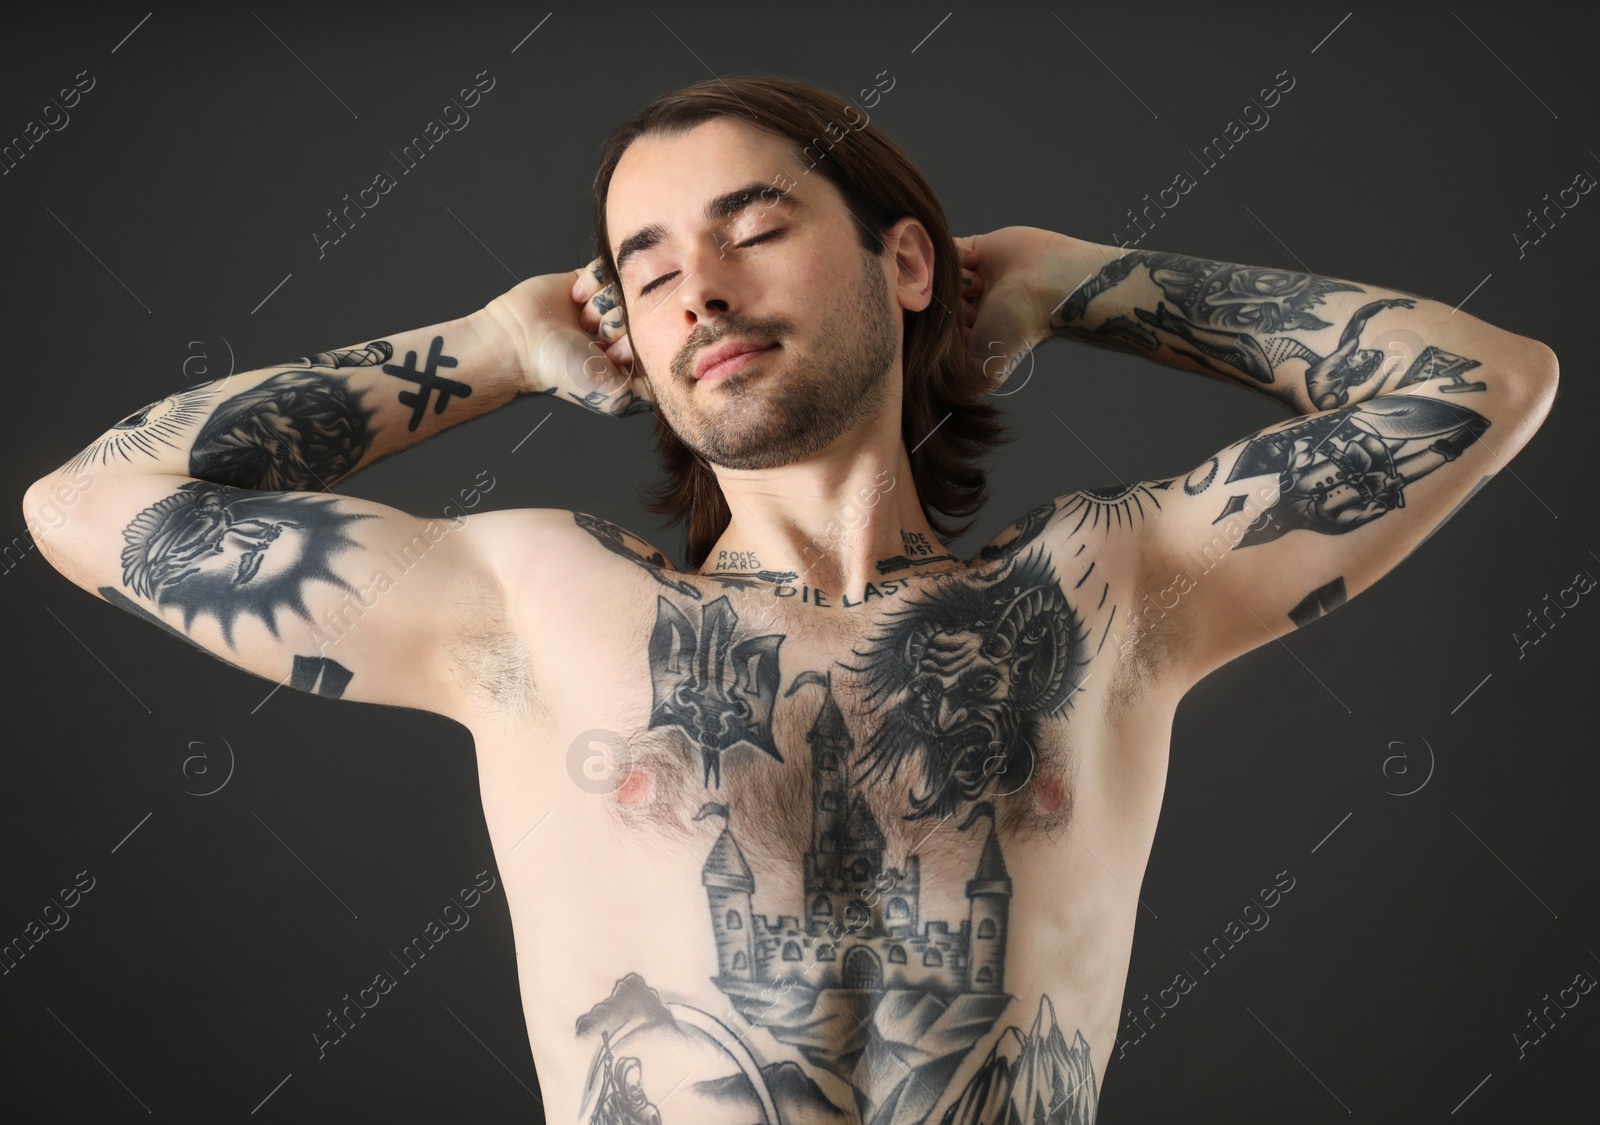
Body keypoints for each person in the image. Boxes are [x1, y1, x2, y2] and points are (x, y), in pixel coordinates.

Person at [23, 75, 1557, 1124]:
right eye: (644, 265)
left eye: (753, 227)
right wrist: (489, 346)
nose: (697, 287)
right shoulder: (535, 604)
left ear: (905, 264)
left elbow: (1481, 382)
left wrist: (1071, 278)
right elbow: (87, 504)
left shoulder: (1098, 592)